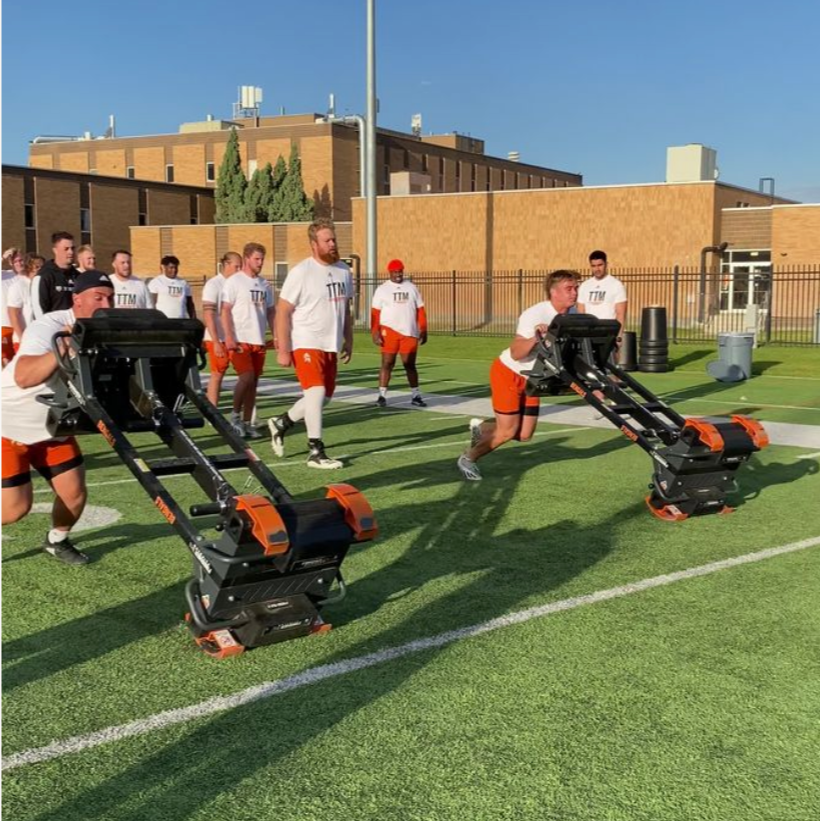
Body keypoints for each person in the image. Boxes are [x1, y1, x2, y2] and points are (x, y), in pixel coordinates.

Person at [1, 270, 115, 565]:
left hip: (52, 423)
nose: (106, 305)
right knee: (14, 510)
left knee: (74, 494)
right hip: (10, 422)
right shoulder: (49, 325)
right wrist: (62, 347)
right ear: (77, 299)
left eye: (110, 298)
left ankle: (57, 540)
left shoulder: (103, 330)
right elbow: (25, 376)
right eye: (98, 297)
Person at [457, 269, 580, 481]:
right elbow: (516, 352)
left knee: (524, 435)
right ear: (553, 292)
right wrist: (536, 338)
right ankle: (468, 458)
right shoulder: (535, 314)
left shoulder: (574, 315)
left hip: (533, 377)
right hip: (509, 372)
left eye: (576, 288)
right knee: (507, 431)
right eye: (569, 288)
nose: (574, 292)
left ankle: (482, 427)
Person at [268, 218, 353, 469]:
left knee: (323, 398)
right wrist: (283, 348)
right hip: (306, 341)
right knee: (315, 393)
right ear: (313, 244)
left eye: (334, 239)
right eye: (327, 240)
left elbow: (346, 308)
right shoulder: (301, 272)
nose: (333, 244)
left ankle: (281, 422)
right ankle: (315, 451)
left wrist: (348, 338)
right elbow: (283, 311)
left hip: (330, 343)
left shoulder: (343, 271)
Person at [221, 243, 274, 438]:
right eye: (256, 259)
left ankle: (247, 421)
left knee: (254, 382)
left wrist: (276, 334)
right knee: (246, 377)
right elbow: (225, 310)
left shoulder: (264, 284)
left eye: (262, 259)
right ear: (246, 258)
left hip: (258, 339)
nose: (260, 263)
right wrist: (228, 336)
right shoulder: (234, 282)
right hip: (240, 339)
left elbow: (270, 311)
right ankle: (234, 416)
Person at [371, 258, 428, 407]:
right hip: (389, 331)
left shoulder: (411, 287)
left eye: (400, 271)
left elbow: (420, 309)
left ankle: (415, 396)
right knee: (387, 363)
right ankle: (382, 396)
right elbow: (375, 313)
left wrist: (423, 328)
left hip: (409, 332)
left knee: (409, 364)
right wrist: (375, 331)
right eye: (395, 272)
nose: (398, 274)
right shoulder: (382, 289)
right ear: (390, 272)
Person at [202, 251, 242, 407]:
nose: (239, 270)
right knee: (217, 374)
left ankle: (246, 414)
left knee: (246, 375)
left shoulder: (238, 283)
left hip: (234, 336)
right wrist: (216, 341)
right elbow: (209, 314)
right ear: (226, 264)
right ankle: (213, 411)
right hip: (218, 337)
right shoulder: (214, 284)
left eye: (240, 266)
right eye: (236, 266)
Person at [577, 250, 627, 338]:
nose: (597, 269)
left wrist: (619, 337)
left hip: (609, 333)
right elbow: (581, 313)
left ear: (606, 264)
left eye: (600, 265)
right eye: (594, 266)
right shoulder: (584, 286)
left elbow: (620, 314)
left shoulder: (616, 284)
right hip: (589, 334)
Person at [32, 231, 77, 318]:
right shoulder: (44, 276)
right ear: (55, 250)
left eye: (72, 248)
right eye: (66, 249)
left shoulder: (79, 276)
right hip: (54, 329)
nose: (71, 252)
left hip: (77, 329)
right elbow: (39, 311)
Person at [6, 254, 45, 352]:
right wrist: (22, 338)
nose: (40, 270)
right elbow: (13, 315)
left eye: (42, 267)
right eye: (36, 267)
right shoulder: (18, 286)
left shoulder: (42, 285)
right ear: (28, 268)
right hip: (24, 341)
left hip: (41, 339)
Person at [2, 248, 26, 366]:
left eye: (21, 260)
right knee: (6, 361)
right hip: (5, 326)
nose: (19, 263)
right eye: (15, 261)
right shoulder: (5, 276)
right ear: (11, 263)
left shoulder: (25, 278)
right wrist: (3, 257)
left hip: (21, 326)